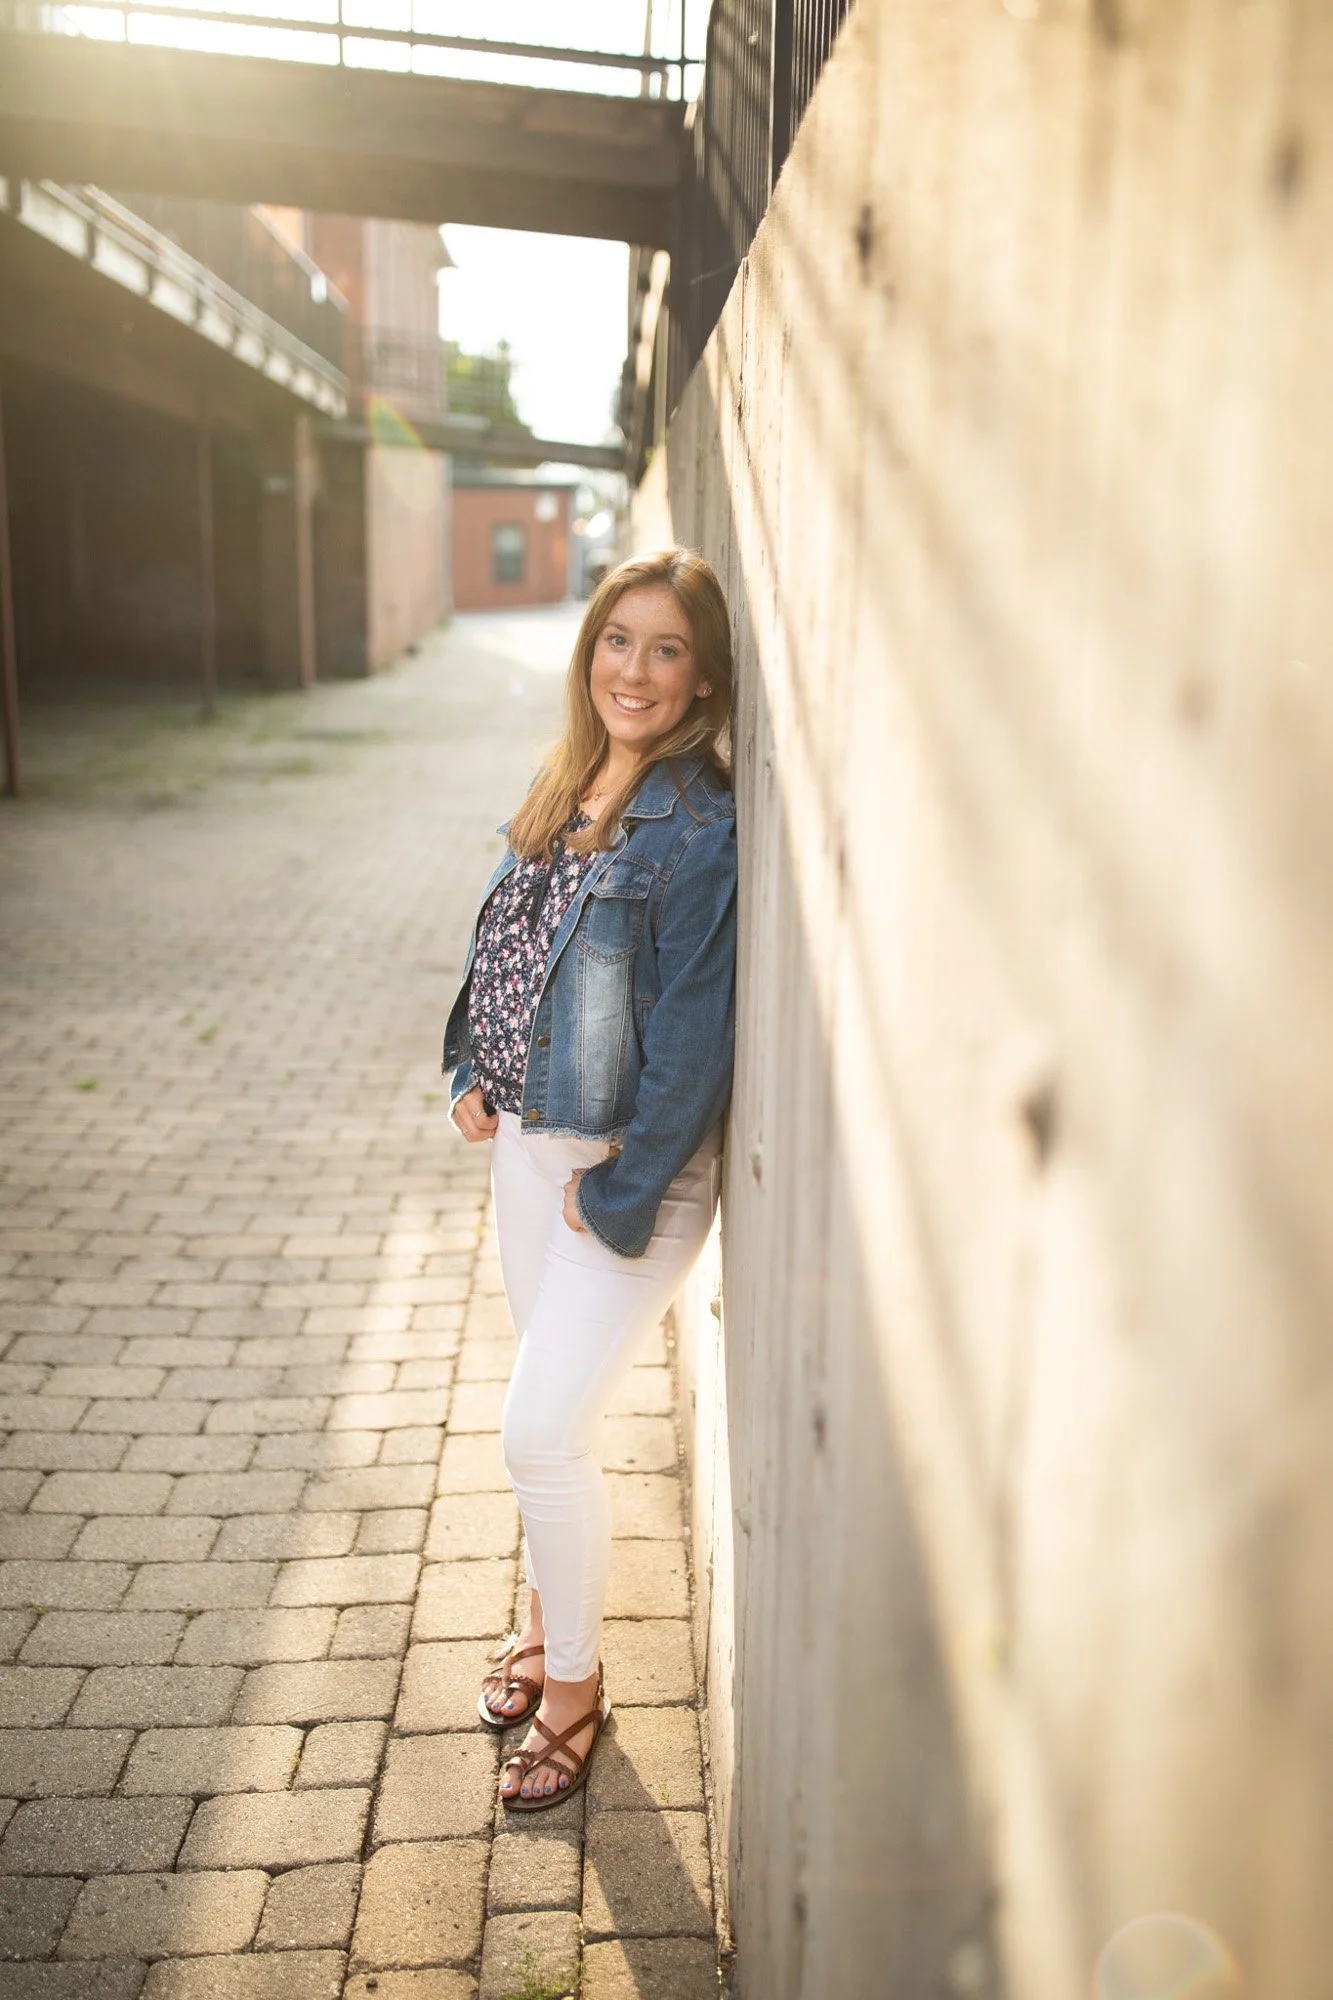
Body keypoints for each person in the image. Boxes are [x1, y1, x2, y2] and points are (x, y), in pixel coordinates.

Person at [441, 548, 737, 1811]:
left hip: (628, 1177)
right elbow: (502, 933)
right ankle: (543, 1610)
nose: (635, 669)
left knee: (537, 1432)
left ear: (703, 676)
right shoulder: (567, 775)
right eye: (619, 639)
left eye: (666, 649)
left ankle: (573, 1687)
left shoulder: (701, 828)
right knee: (543, 1437)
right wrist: (467, 1056)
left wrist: (618, 1193)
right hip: (526, 1146)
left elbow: (691, 1040)